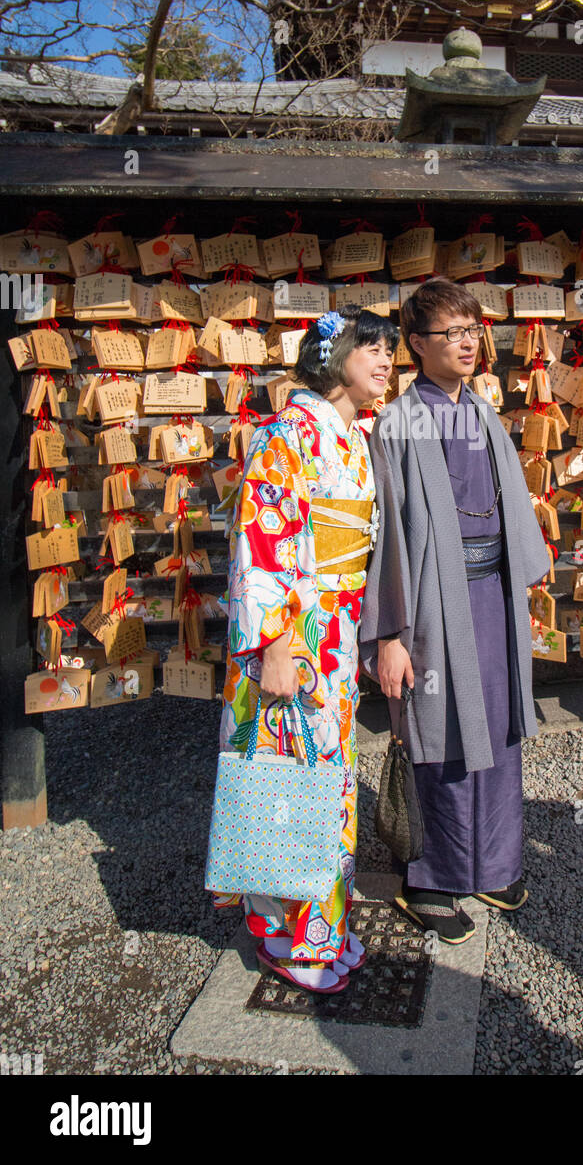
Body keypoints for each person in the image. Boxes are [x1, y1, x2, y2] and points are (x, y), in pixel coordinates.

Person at [211, 305, 397, 992]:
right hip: (297, 628)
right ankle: (289, 941)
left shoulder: (349, 435)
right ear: (332, 355)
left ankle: (326, 928)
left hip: (336, 626)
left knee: (329, 780)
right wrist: (274, 645)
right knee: (293, 777)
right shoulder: (288, 435)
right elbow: (264, 545)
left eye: (389, 353)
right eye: (371, 349)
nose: (384, 362)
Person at [359, 277, 550, 944]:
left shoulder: (481, 410)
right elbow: (384, 538)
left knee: (495, 724)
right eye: (451, 333)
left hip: (491, 597)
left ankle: (491, 863)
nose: (467, 344)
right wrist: (389, 633)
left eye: (473, 331)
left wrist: (525, 572)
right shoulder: (399, 422)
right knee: (439, 728)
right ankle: (431, 877)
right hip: (431, 603)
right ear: (416, 344)